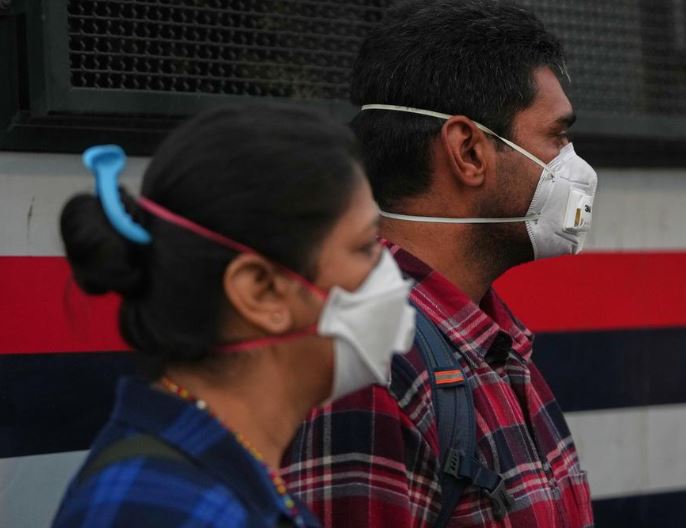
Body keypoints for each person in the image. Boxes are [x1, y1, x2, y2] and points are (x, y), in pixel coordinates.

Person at [281, 1, 597, 526]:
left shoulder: (491, 343)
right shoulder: (372, 367)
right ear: (468, 152)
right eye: (556, 137)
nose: (576, 167)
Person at [52, 102, 416, 527]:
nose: (388, 272)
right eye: (365, 246)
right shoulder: (161, 509)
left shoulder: (231, 480)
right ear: (260, 291)